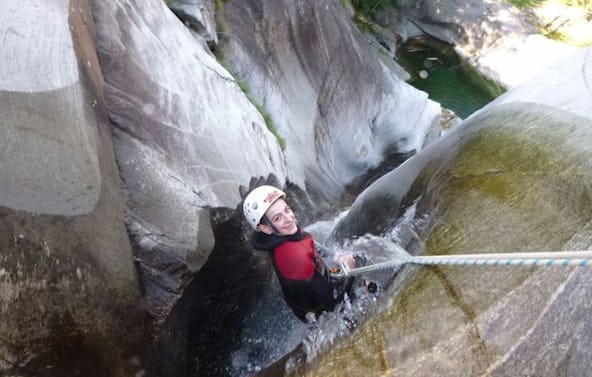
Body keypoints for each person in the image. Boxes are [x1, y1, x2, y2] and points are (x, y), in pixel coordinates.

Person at [242, 185, 354, 323]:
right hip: (322, 311)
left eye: (287, 210)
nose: (289, 218)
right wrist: (350, 272)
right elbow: (333, 304)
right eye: (278, 218)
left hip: (313, 284)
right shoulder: (294, 258)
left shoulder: (283, 236)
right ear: (264, 228)